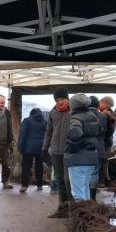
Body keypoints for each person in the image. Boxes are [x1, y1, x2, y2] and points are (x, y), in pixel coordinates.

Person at [42, 88, 72, 218]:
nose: (59, 102)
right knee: (59, 180)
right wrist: (44, 148)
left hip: (69, 152)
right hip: (55, 151)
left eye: (62, 99)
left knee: (68, 180)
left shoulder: (73, 112)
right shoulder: (53, 113)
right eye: (57, 100)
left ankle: (73, 209)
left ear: (67, 99)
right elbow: (48, 131)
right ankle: (62, 208)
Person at [65, 93, 100, 202]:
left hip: (78, 159)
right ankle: (89, 216)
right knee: (85, 190)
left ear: (73, 105)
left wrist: (73, 147)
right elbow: (100, 132)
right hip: (91, 158)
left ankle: (83, 218)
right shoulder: (93, 116)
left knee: (78, 194)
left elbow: (75, 134)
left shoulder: (76, 117)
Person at [17, 108, 46, 192]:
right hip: (40, 147)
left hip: (28, 148)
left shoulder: (27, 121)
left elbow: (22, 134)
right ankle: (39, 185)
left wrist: (19, 147)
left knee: (26, 166)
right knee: (39, 166)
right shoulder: (44, 122)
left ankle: (24, 186)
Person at [88, 96, 108, 200]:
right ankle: (92, 197)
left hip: (86, 149)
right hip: (99, 148)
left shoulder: (83, 116)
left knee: (85, 173)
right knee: (94, 173)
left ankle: (84, 198)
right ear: (97, 106)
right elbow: (104, 133)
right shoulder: (103, 117)